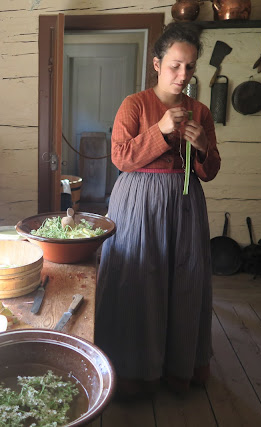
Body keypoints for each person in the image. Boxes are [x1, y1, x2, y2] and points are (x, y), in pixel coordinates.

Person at [94, 22, 221, 399]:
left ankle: (179, 368)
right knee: (138, 279)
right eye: (175, 66)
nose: (183, 75)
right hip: (139, 202)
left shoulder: (200, 112)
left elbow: (210, 171)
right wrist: (162, 130)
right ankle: (133, 374)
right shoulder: (134, 105)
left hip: (185, 206)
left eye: (190, 67)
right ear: (157, 63)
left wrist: (201, 147)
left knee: (185, 280)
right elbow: (120, 156)